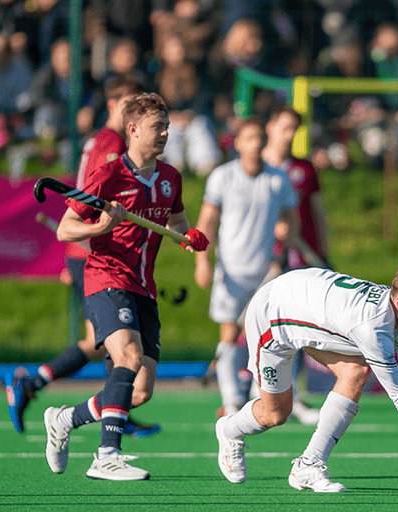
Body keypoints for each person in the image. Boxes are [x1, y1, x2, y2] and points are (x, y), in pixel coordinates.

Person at [40, 92, 209, 481]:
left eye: (167, 126)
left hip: (144, 285)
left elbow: (177, 224)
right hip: (105, 276)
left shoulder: (170, 178)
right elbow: (67, 229)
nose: (166, 132)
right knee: (127, 358)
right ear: (132, 130)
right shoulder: (109, 175)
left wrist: (190, 238)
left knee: (140, 391)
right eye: (157, 127)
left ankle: (66, 418)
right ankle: (106, 455)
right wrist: (101, 226)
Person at [6, 77, 164, 439]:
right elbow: (92, 205)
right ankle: (35, 384)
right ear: (113, 104)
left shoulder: (101, 140)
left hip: (89, 251)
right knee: (109, 341)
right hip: (95, 252)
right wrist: (97, 242)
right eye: (129, 101)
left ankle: (110, 406)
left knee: (106, 341)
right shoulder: (111, 145)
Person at [214, 265, 398, 492]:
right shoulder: (373, 327)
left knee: (356, 371)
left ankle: (308, 466)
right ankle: (229, 430)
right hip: (272, 317)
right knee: (275, 414)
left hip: (304, 307)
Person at [195, 118, 298, 417]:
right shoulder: (222, 177)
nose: (254, 143)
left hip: (265, 272)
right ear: (237, 143)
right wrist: (202, 260)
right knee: (229, 335)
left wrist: (286, 240)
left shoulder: (278, 178)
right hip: (230, 271)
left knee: (265, 338)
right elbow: (207, 222)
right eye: (248, 138)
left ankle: (258, 398)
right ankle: (230, 402)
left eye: (258, 138)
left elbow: (291, 217)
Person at [261, 105, 328, 424]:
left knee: (297, 327)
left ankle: (294, 395)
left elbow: (317, 212)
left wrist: (323, 252)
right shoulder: (254, 165)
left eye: (294, 129)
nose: (289, 135)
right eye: (284, 127)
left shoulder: (304, 168)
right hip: (262, 258)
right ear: (270, 126)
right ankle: (247, 394)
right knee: (259, 326)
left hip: (302, 257)